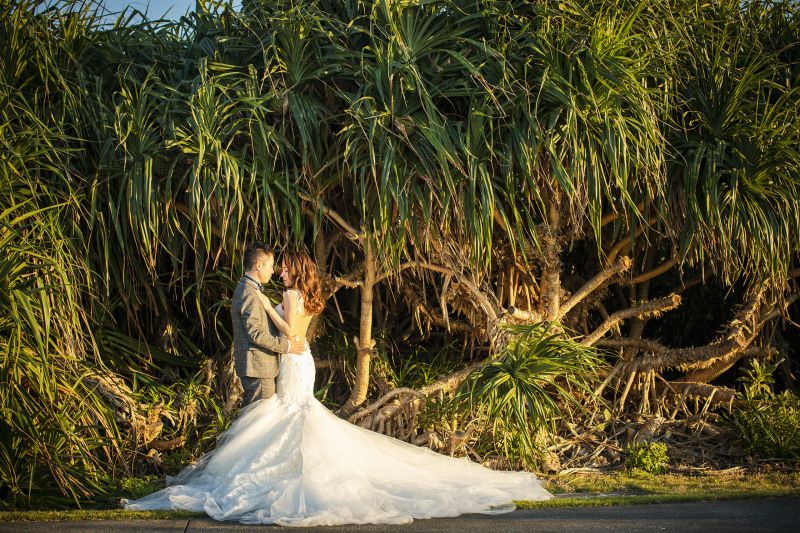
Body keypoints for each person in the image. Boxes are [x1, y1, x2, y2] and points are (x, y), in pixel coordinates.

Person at [121, 251, 551, 525]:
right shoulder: (306, 294)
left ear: (296, 272)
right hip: (299, 361)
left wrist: (274, 318)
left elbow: (290, 329)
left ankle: (283, 472)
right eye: (280, 265)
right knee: (294, 417)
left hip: (292, 358)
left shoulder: (288, 297)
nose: (282, 271)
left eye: (286, 267)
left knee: (289, 416)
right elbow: (300, 329)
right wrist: (287, 329)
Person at [230, 242, 305, 405]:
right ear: (259, 265)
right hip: (258, 368)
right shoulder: (248, 292)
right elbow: (255, 333)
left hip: (259, 368)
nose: (273, 271)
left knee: (255, 420)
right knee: (258, 423)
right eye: (270, 265)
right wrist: (286, 346)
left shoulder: (249, 288)